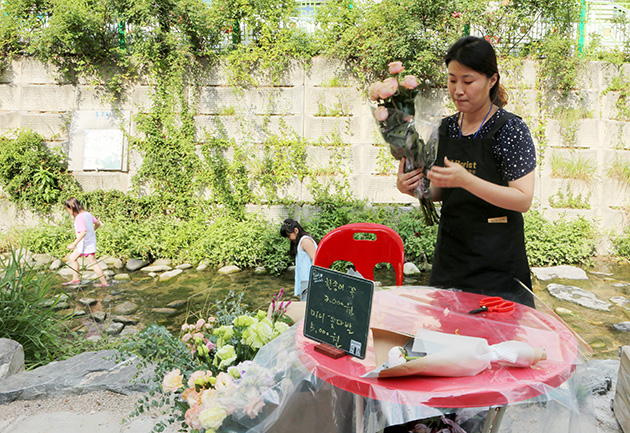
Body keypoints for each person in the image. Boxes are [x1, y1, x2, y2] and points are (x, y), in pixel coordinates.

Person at [397, 36, 536, 308]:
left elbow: (523, 199)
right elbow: (438, 191)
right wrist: (413, 187)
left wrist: (467, 180)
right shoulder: (445, 128)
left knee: (497, 347)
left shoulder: (510, 130)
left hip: (498, 268)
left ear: (491, 80)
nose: (458, 89)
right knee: (445, 341)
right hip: (451, 261)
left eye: (468, 81)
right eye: (452, 80)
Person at [64, 197, 109, 287]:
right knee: (73, 258)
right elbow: (97, 223)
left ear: (72, 207)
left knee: (93, 263)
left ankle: (104, 283)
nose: (68, 212)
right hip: (85, 243)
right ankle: (75, 279)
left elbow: (83, 232)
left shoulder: (79, 217)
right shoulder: (87, 214)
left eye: (67, 209)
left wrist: (73, 244)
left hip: (86, 244)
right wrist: (91, 231)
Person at [280, 219, 318, 301]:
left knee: (306, 307)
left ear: (296, 230)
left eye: (288, 235)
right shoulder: (300, 242)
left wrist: (313, 280)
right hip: (305, 281)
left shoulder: (305, 241)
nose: (288, 238)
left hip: (309, 281)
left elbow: (315, 258)